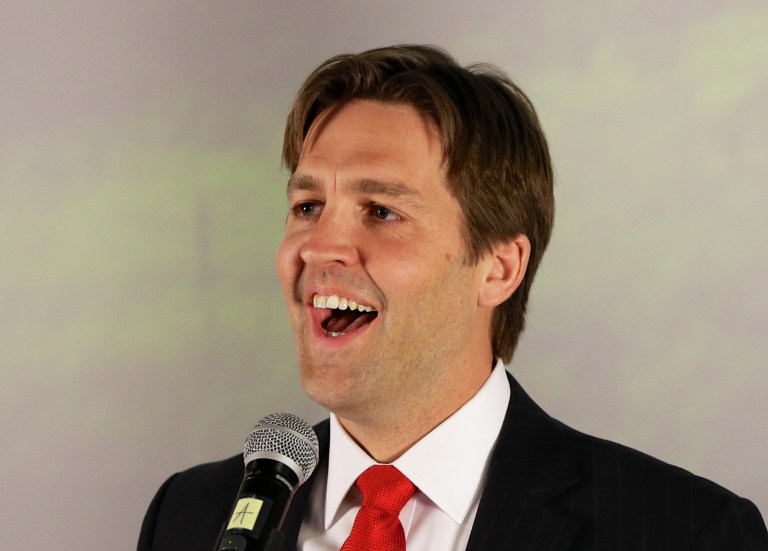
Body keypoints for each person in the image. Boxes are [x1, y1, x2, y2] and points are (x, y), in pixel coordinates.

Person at [138, 44, 767, 550]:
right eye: (307, 206)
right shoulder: (190, 517)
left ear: (498, 267)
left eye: (380, 211)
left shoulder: (684, 532)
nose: (320, 247)